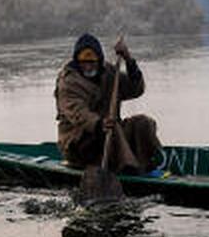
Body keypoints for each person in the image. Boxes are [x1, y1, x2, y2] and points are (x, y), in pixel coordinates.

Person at [55, 33, 161, 173]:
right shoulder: (69, 83)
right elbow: (79, 114)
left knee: (143, 123)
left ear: (99, 60)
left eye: (92, 62)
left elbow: (136, 89)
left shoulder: (109, 73)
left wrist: (128, 60)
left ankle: (149, 162)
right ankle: (129, 169)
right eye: (84, 62)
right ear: (77, 62)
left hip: (112, 139)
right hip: (78, 144)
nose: (88, 66)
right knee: (112, 127)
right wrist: (99, 124)